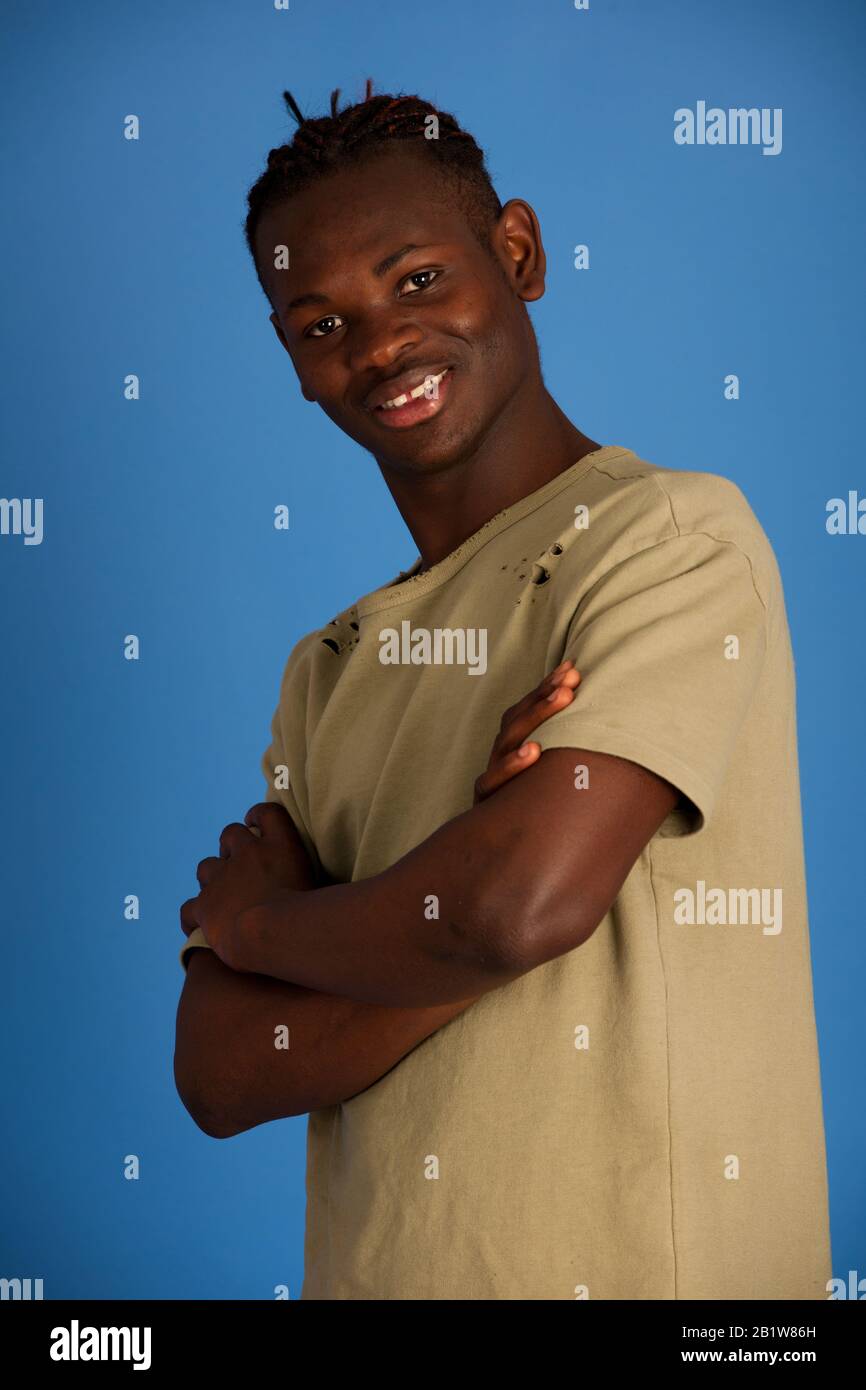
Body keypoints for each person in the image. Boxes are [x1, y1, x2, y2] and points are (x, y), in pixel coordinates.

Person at [173, 81, 831, 1301]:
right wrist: (462, 880)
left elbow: (514, 906)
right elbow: (221, 1072)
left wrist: (265, 929)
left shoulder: (668, 541)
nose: (376, 345)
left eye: (416, 279)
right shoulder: (326, 671)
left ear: (517, 254)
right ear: (293, 364)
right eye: (317, 324)